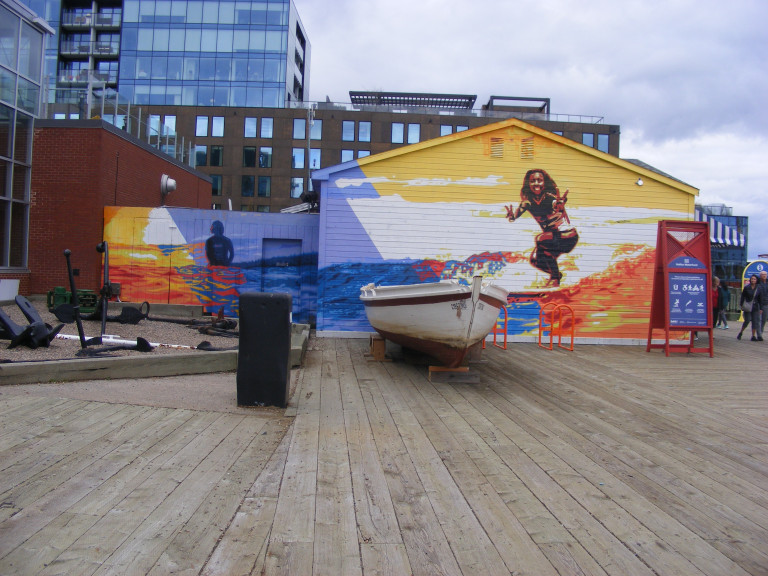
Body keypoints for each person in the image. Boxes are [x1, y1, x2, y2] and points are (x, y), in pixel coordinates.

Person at [505, 169, 578, 287]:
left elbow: (556, 203)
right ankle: (556, 275)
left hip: (567, 236)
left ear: (545, 183)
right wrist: (512, 216)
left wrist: (559, 205)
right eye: (533, 181)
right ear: (528, 184)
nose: (536, 184)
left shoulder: (549, 197)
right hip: (552, 239)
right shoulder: (527, 202)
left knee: (540, 239)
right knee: (535, 260)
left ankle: (554, 280)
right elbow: (516, 215)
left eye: (539, 180)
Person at [736, 274, 762, 341]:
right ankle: (741, 332)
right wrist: (741, 305)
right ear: (750, 280)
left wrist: (761, 308)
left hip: (755, 306)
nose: (753, 280)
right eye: (752, 279)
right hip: (748, 306)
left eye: (754, 279)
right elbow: (743, 296)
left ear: (756, 280)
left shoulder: (758, 288)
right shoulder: (747, 287)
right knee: (747, 320)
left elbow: (760, 298)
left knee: (755, 321)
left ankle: (753, 336)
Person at [758, 270, 768, 338]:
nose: (764, 275)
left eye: (765, 274)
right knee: (759, 319)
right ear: (760, 276)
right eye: (762, 274)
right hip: (759, 303)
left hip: (766, 303)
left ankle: (761, 331)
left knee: (764, 319)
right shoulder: (758, 283)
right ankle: (759, 333)